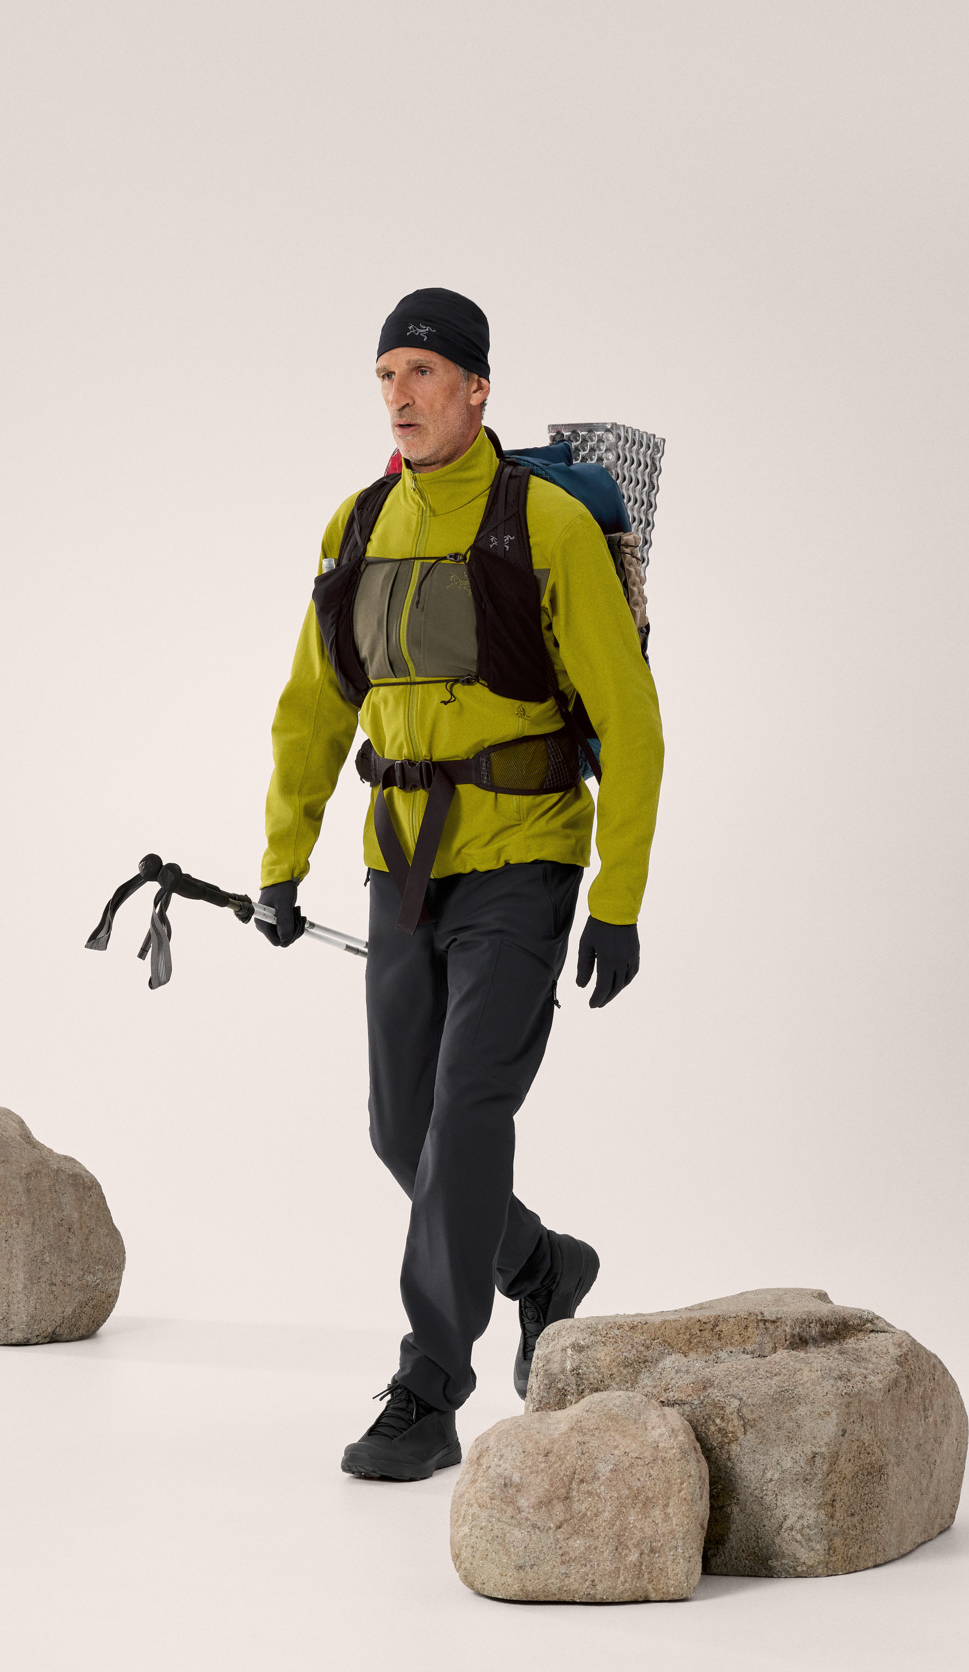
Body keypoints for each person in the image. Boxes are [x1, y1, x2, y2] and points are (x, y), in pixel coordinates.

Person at [257, 287, 664, 1481]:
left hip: (525, 858)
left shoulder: (547, 526)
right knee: (403, 1129)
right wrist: (282, 861)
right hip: (402, 866)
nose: (401, 394)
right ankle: (543, 1265)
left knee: (469, 1110)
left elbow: (632, 722)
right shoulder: (355, 526)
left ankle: (431, 1387)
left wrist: (618, 898)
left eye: (424, 372)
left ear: (478, 389)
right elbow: (313, 708)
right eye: (387, 374)